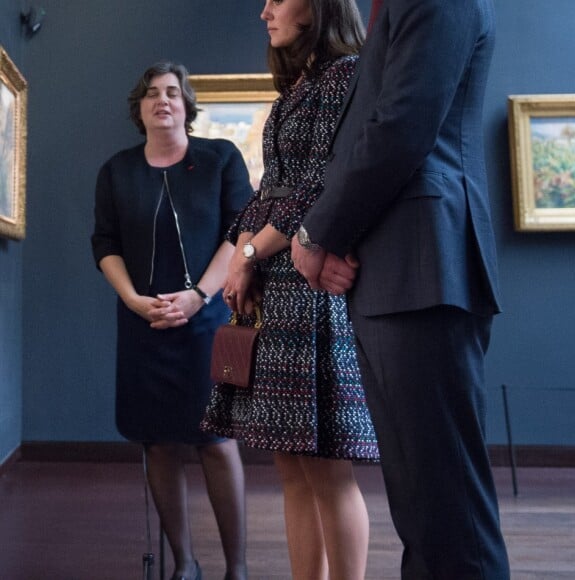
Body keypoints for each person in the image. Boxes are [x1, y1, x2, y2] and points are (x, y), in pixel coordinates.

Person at [291, 0, 511, 578]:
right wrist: (334, 237)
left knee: (448, 510)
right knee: (422, 506)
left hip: (424, 270)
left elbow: (402, 125)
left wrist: (318, 233)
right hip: (399, 272)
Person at [201, 1, 379, 579]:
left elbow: (321, 183)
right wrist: (240, 254)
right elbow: (266, 190)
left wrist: (250, 253)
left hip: (308, 289)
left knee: (327, 467)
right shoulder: (293, 92)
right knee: (291, 463)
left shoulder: (346, 75)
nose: (264, 11)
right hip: (274, 291)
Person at [91, 61, 253, 580]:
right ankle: (184, 564)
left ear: (186, 106)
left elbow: (241, 233)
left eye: (173, 93)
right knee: (158, 441)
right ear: (139, 109)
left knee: (218, 441)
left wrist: (199, 296)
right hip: (144, 324)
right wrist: (136, 299)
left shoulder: (220, 159)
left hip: (213, 321)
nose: (163, 100)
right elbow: (105, 244)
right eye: (152, 93)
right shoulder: (116, 170)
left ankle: (238, 568)